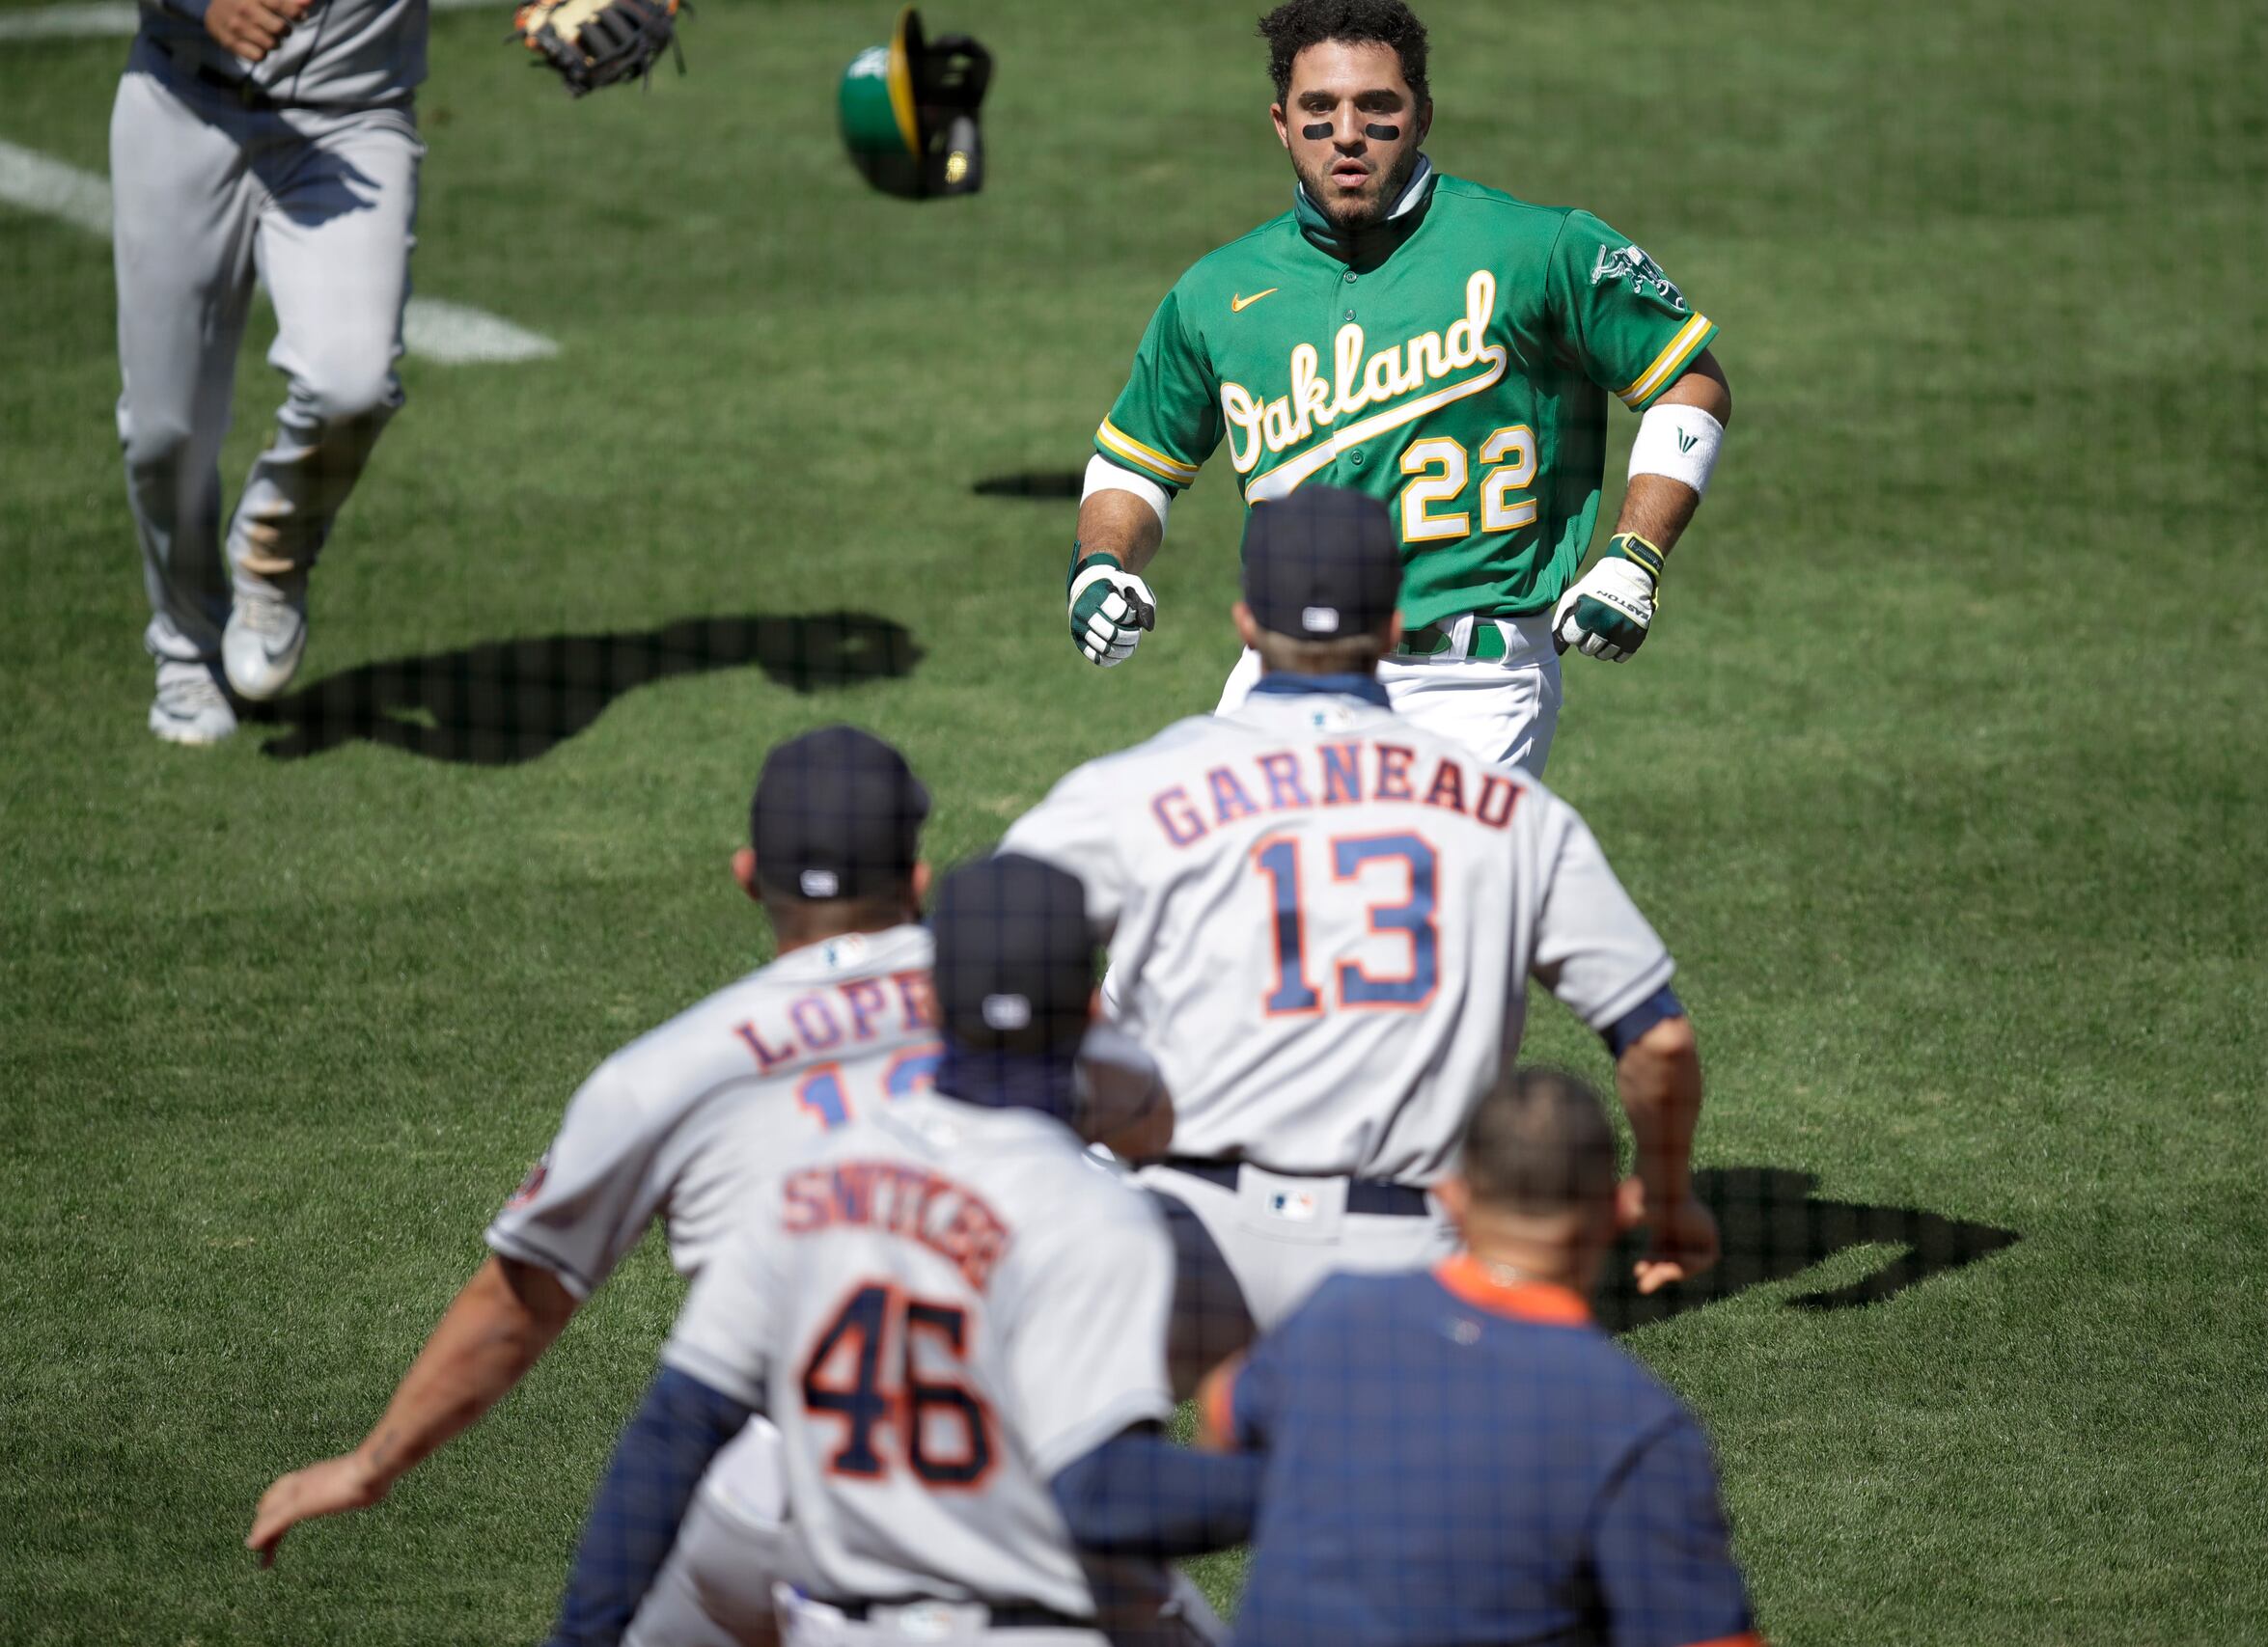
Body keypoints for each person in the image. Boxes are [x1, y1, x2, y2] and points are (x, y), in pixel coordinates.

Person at [249, 728, 952, 1643]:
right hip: (968, 1503)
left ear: (747, 876)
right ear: (919, 877)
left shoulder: (670, 1068)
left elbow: (517, 1304)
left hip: (759, 1495)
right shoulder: (1046, 1021)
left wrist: (368, 1466)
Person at [1005, 486, 1717, 1389]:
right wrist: (1664, 1193)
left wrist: (1102, 1088)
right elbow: (1657, 1038)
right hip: (1410, 1271)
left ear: (1244, 619)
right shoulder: (1509, 814)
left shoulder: (1137, 788)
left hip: (1191, 1257)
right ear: (1389, 626)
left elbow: (985, 960)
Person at [543, 854, 1258, 1647]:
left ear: (930, 999)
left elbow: (674, 1433)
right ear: (1091, 1009)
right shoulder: (1097, 1219)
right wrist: (1293, 1482)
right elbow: (1106, 1493)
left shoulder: (812, 1183)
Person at [1065, 0, 1732, 776]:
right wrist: (1102, 562)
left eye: (1376, 105)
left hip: (1474, 685)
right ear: (1282, 124)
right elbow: (1137, 462)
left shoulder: (1539, 249)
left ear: (1421, 118)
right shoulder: (1218, 291)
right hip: (1282, 677)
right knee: (1222, 888)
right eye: (1320, 108)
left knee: (1420, 897)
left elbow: (1688, 381)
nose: (1347, 132)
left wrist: (1634, 556)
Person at [1197, 1068, 1763, 1647]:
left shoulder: (1332, 1316)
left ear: (1452, 1197)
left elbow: (1222, 1416)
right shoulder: (1636, 1423)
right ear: (1619, 1211)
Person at [115, 0, 434, 741]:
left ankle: (272, 548)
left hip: (355, 121)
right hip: (180, 102)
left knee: (351, 383)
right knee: (165, 433)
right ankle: (186, 649)